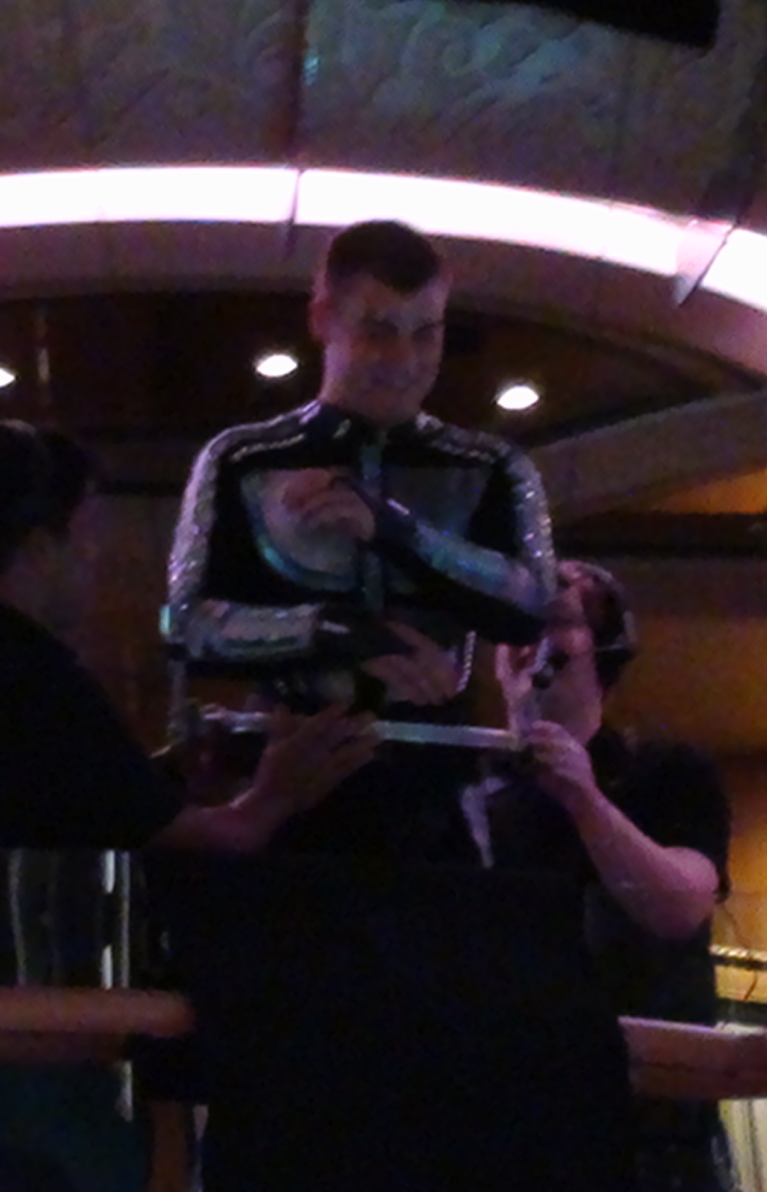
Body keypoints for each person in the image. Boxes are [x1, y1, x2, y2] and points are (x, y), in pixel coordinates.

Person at [0, 419, 376, 1192]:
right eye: (85, 534)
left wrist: (173, 777)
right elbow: (211, 841)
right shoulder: (40, 684)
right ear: (38, 546)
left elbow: (47, 808)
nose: (96, 557)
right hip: (49, 1054)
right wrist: (278, 791)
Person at [163, 218, 556, 859]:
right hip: (283, 785)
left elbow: (531, 604)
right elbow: (187, 623)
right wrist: (342, 633)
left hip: (436, 796)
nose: (404, 361)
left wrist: (394, 529)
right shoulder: (244, 459)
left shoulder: (490, 466)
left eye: (426, 333)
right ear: (323, 319)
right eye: (378, 330)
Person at [468, 559, 737, 1192]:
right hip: (510, 1134)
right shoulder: (470, 792)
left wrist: (585, 800)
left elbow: (682, 906)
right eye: (518, 625)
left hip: (650, 1140)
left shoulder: (667, 771)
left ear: (606, 647)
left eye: (558, 620)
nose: (531, 641)